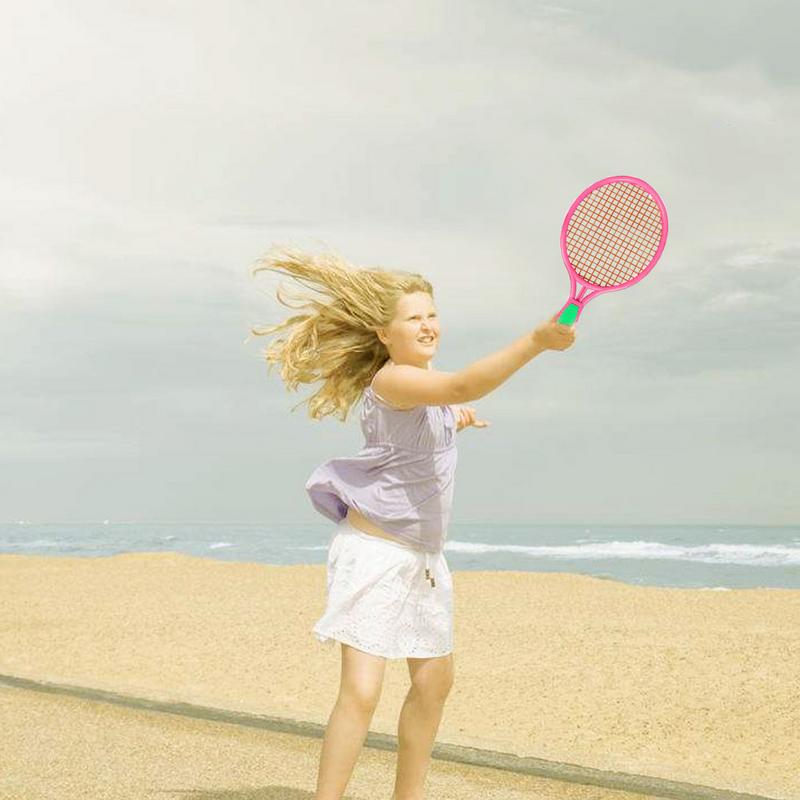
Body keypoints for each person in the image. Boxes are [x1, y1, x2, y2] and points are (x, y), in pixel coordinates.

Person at [248, 244, 576, 800]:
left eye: (431, 315)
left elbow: (448, 404)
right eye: (413, 318)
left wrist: (459, 419)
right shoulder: (393, 381)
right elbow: (457, 387)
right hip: (374, 556)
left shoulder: (427, 395)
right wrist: (536, 343)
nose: (427, 326)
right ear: (384, 333)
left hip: (423, 561)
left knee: (433, 682)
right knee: (362, 690)